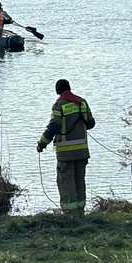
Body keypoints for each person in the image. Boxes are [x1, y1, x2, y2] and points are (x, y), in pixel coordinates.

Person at [37, 79, 96, 216]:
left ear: (58, 91)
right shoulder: (81, 102)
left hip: (65, 154)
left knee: (66, 183)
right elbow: (91, 123)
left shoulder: (59, 105)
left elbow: (53, 127)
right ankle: (80, 212)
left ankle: (70, 214)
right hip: (82, 152)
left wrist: (41, 144)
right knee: (79, 181)